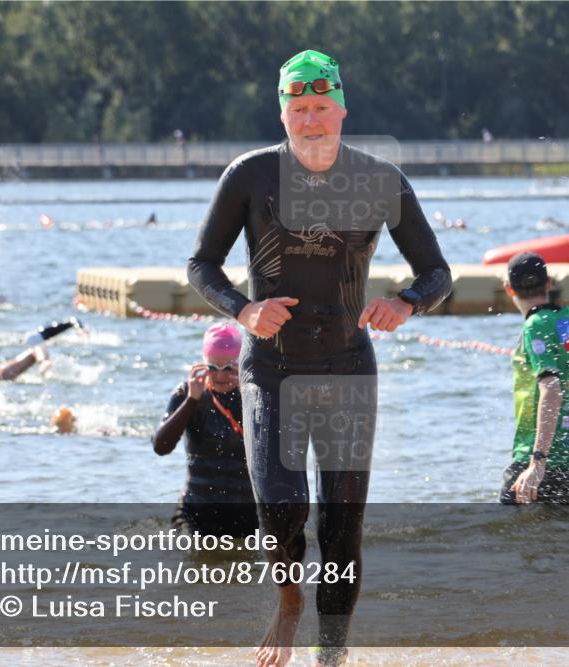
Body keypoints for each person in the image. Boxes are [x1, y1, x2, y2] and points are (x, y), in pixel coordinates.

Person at [186, 49, 452, 667]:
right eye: (298, 109)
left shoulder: (381, 179)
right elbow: (201, 264)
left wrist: (407, 303)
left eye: (321, 108)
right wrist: (243, 309)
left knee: (341, 528)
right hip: (271, 368)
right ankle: (287, 601)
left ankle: (331, 656)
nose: (311, 120)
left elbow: (437, 271)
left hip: (348, 369)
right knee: (280, 504)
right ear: (282, 115)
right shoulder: (249, 176)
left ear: (342, 110)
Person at [500, 252, 569, 505]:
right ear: (549, 283)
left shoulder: (534, 325)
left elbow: (551, 389)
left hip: (534, 462)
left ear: (509, 289)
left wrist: (537, 463)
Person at [152, 324, 258, 537]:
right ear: (202, 365)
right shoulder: (187, 394)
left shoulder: (255, 394)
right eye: (212, 368)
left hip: (247, 512)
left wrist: (249, 393)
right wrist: (192, 400)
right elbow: (160, 447)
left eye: (229, 367)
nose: (220, 376)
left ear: (242, 364)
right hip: (196, 511)